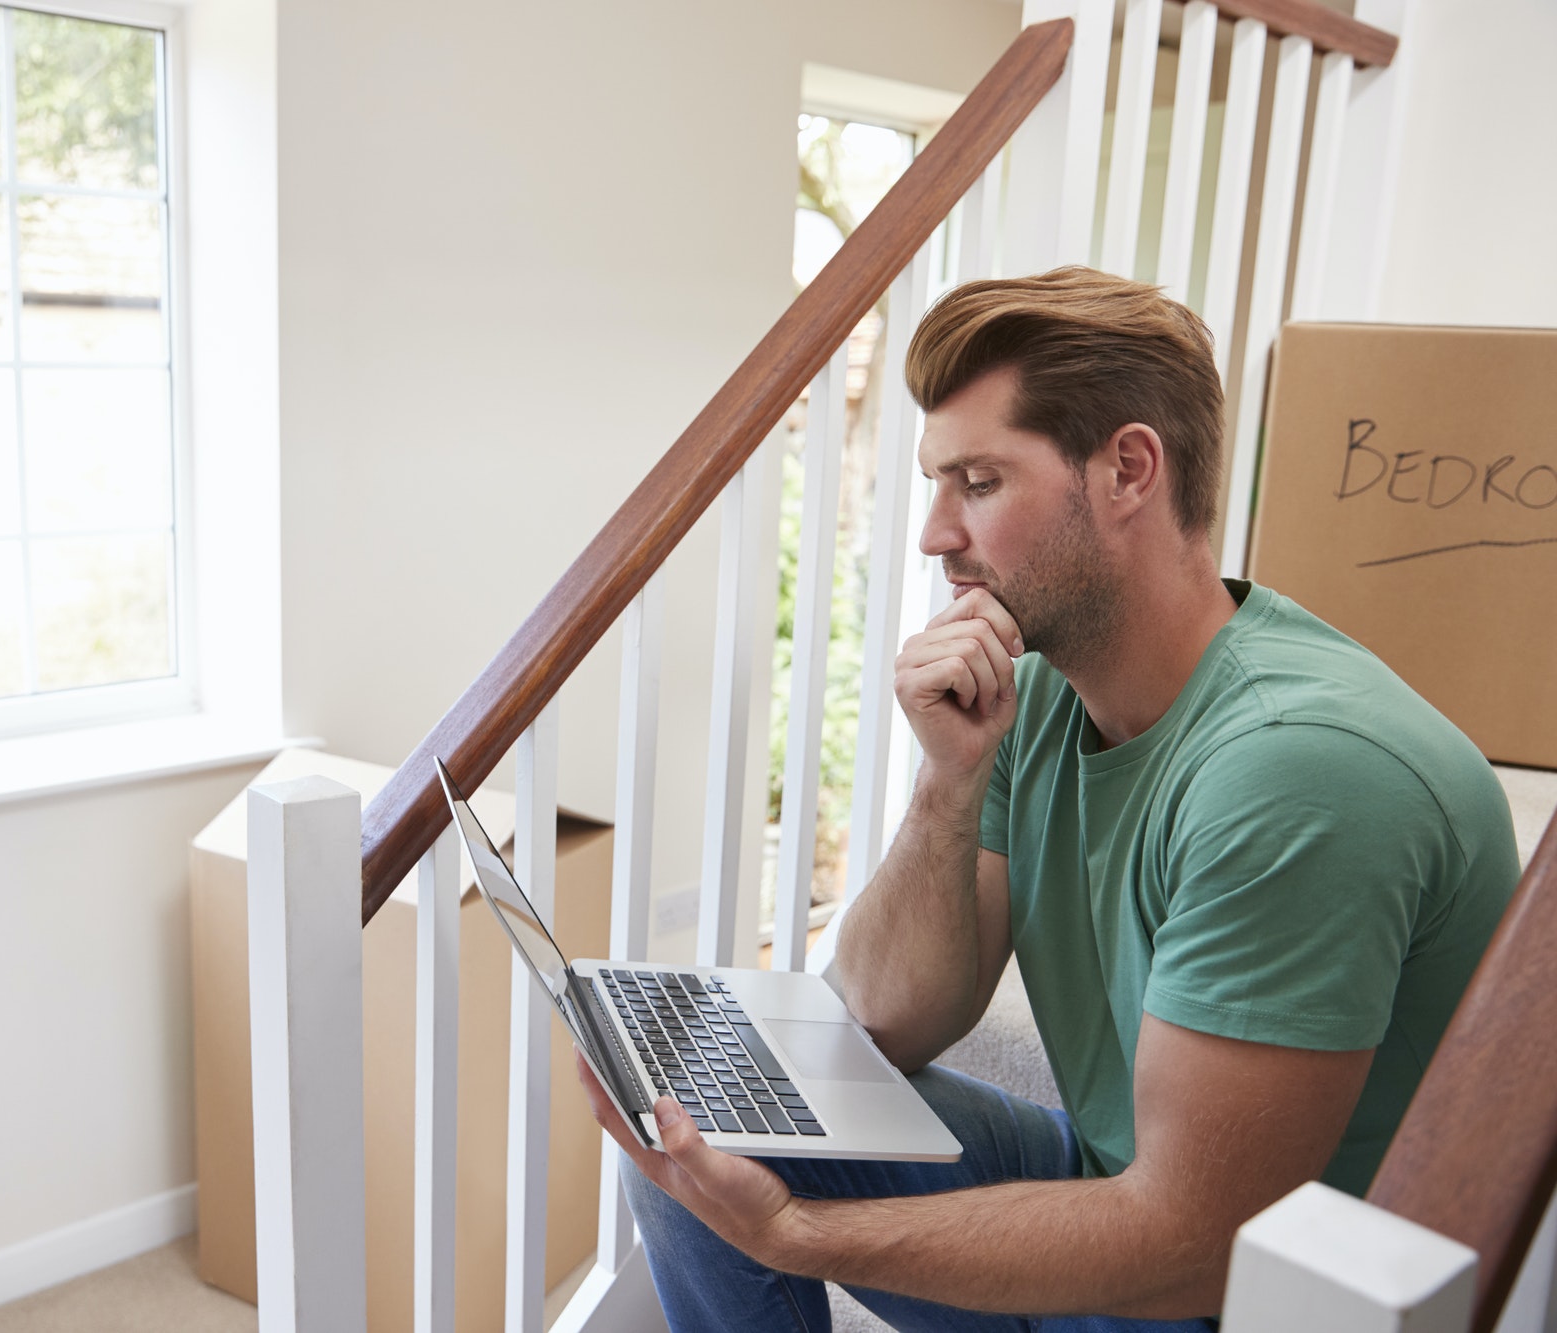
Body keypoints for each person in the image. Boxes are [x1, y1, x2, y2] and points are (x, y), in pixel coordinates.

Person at [579, 267, 1521, 1331]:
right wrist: (946, 780)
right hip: (1112, 1184)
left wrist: (793, 1235)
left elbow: (1194, 1247)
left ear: (1125, 470)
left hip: (1248, 1295)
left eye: (976, 481)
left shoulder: (1297, 768)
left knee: (737, 1192)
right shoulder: (1032, 697)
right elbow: (882, 1020)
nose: (934, 534)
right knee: (691, 1120)